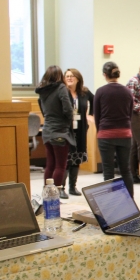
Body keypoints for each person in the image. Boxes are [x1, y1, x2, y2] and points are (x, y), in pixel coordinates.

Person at [93, 61, 134, 197]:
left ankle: (111, 202)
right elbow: (130, 113)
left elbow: (97, 115)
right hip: (125, 133)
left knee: (108, 171)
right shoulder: (127, 91)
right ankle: (130, 201)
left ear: (105, 75)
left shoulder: (100, 91)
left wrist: (100, 131)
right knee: (126, 170)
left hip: (106, 134)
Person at [36, 65, 75, 198]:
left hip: (47, 130)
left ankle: (47, 194)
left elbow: (43, 110)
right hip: (60, 131)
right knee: (60, 166)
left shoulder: (42, 91)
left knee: (50, 165)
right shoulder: (61, 88)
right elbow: (68, 110)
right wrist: (68, 120)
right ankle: (55, 195)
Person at [62, 68, 94, 196]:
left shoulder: (84, 92)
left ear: (78, 78)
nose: (69, 78)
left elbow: (95, 100)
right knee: (65, 159)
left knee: (77, 157)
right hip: (65, 129)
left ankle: (72, 187)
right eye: (67, 76)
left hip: (80, 128)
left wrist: (91, 114)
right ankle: (61, 188)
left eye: (72, 76)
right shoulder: (62, 92)